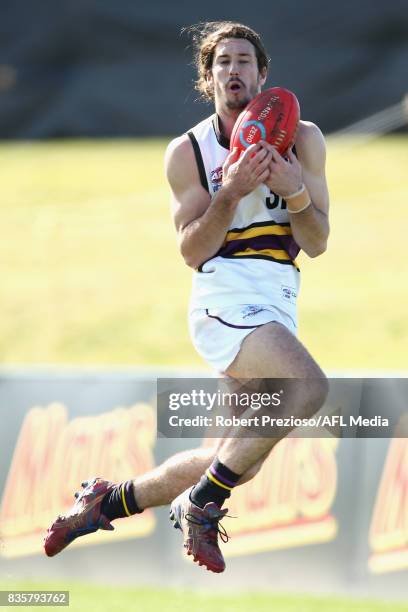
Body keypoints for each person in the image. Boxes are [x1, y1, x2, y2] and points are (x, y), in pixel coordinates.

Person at [44, 21, 330, 574]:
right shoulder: (189, 151)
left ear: (263, 74)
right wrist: (233, 192)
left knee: (233, 461)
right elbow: (192, 250)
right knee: (309, 387)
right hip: (222, 298)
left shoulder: (305, 138)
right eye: (222, 62)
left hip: (277, 302)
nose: (234, 70)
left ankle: (107, 500)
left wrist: (294, 189)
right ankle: (201, 503)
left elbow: (316, 243)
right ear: (209, 79)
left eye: (245, 60)